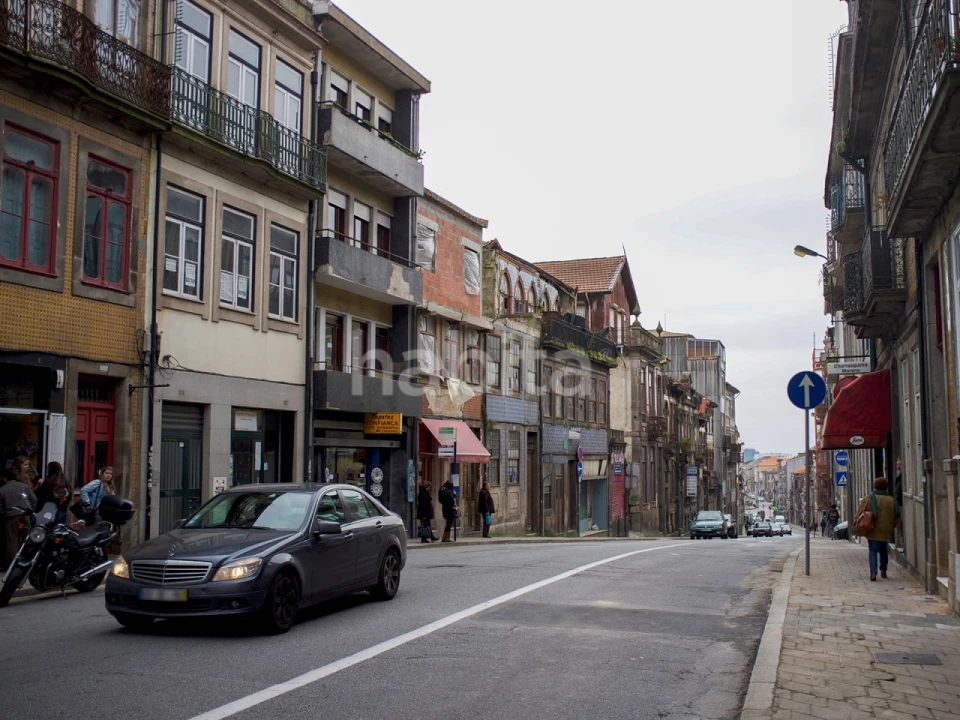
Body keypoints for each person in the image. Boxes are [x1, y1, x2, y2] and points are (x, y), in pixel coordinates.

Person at [856, 476, 900, 581]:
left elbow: (859, 513)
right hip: (886, 529)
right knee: (884, 549)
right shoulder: (891, 500)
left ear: (875, 486)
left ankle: (873, 572)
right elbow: (897, 514)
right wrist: (893, 525)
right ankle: (883, 569)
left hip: (872, 529)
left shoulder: (868, 498)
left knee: (873, 550)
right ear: (885, 487)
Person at [1, 467, 37, 569]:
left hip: (11, 517)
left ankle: (12, 567)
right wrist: (31, 511)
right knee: (27, 540)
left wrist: (4, 514)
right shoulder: (24, 486)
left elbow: (0, 507)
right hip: (26, 515)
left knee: (12, 541)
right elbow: (34, 499)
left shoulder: (2, 490)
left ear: (4, 478)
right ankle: (28, 563)